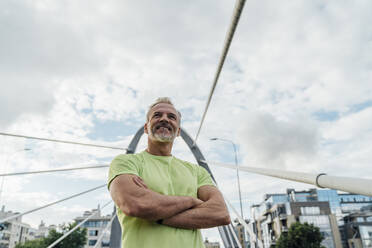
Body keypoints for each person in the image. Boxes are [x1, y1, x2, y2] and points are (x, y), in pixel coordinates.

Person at [108, 97, 230, 248]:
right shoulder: (126, 162)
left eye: (171, 117)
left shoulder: (197, 171)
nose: (164, 119)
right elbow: (136, 204)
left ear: (178, 131)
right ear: (146, 128)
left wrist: (155, 214)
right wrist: (192, 201)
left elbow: (220, 213)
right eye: (157, 115)